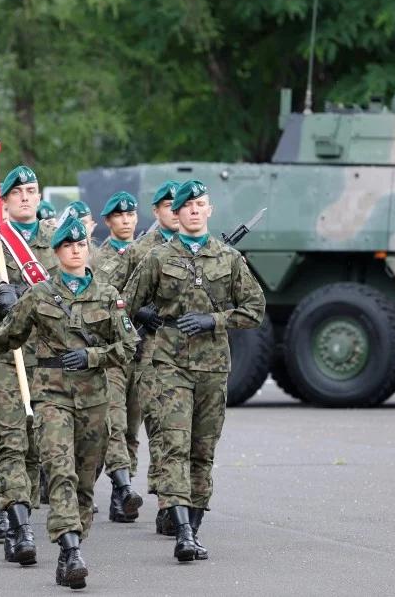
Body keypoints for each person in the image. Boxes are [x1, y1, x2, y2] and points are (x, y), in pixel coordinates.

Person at [0, 214, 136, 589]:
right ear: (57, 253)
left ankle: (73, 539)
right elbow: (3, 339)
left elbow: (129, 346)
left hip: (94, 399)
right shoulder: (40, 295)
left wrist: (93, 357)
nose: (76, 251)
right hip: (52, 397)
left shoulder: (109, 296)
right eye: (68, 247)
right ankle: (70, 548)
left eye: (81, 246)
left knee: (84, 479)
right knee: (59, 470)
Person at [121, 179, 265, 562]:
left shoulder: (229, 259)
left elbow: (255, 310)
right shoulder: (157, 258)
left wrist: (214, 321)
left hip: (214, 369)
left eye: (202, 204)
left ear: (210, 210)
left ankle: (194, 527)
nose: (195, 210)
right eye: (188, 206)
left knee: (203, 450)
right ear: (177, 214)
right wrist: (140, 319)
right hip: (169, 365)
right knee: (173, 446)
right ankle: (181, 530)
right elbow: (123, 304)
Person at [0, 165, 58, 566]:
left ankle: (21, 509)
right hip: (7, 355)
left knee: (37, 446)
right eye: (17, 192)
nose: (25, 197)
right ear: (3, 200)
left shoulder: (60, 239)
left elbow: (84, 278)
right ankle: (20, 528)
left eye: (32, 191)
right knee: (11, 444)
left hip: (50, 355)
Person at [105, 180, 180, 533]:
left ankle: (168, 503)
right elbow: (112, 297)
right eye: (168, 205)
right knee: (118, 424)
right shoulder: (140, 250)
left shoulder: (196, 250)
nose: (176, 212)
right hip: (128, 351)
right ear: (158, 211)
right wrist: (137, 314)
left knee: (164, 429)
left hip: (167, 355)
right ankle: (121, 489)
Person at [92, 191, 144, 522]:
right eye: (119, 216)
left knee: (132, 428)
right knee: (113, 423)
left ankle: (120, 494)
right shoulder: (96, 258)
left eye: (131, 215)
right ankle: (121, 484)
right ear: (108, 221)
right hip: (112, 352)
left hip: (140, 351)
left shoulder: (148, 254)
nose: (126, 220)